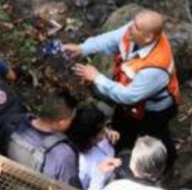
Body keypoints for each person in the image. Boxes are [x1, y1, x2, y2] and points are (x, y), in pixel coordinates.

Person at [67, 10, 181, 168]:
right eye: (132, 23)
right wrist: (83, 48)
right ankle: (121, 155)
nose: (129, 28)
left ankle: (165, 163)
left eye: (135, 27)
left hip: (154, 110)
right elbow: (111, 39)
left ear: (148, 37)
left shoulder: (156, 67)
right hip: (129, 102)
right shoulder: (134, 31)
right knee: (121, 127)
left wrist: (97, 78)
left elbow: (130, 96)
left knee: (156, 135)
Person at [7, 89, 81, 188]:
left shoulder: (14, 123)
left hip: (9, 181)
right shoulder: (64, 154)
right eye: (71, 118)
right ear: (61, 122)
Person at [68, 103, 119, 190]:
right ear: (89, 136)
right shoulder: (81, 165)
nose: (105, 132)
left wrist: (109, 138)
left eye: (106, 127)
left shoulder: (100, 139)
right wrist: (99, 174)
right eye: (102, 131)